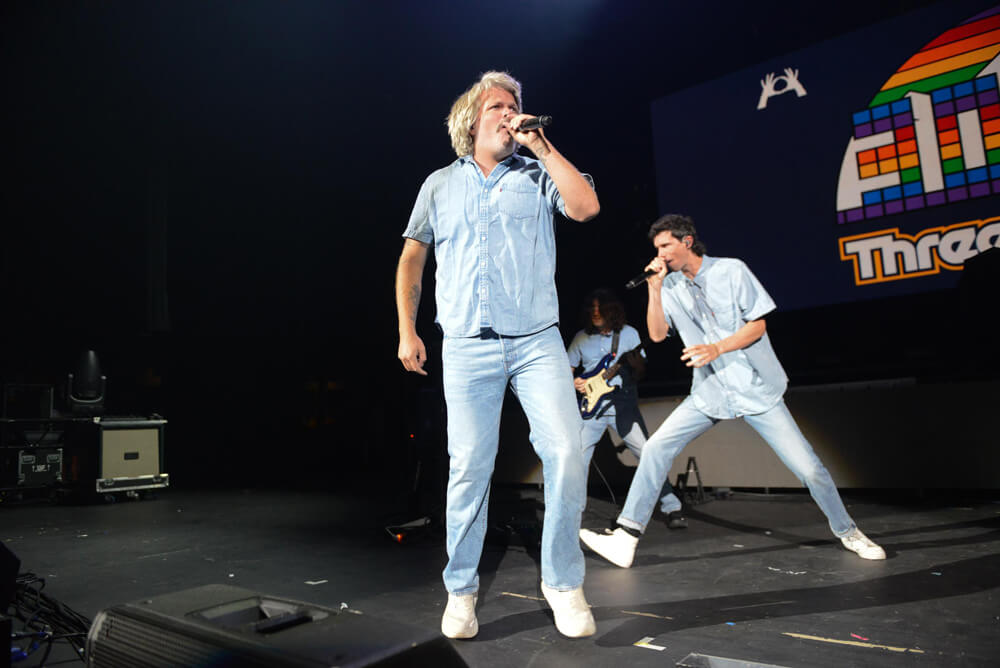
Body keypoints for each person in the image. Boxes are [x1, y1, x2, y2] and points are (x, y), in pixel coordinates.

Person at [395, 71, 600, 639]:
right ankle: (461, 590)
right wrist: (407, 329)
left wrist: (542, 146)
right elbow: (412, 258)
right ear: (471, 120)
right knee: (469, 468)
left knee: (566, 451)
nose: (510, 114)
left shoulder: (536, 172)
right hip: (465, 343)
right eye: (498, 106)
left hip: (536, 339)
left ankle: (563, 583)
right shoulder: (439, 184)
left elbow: (586, 207)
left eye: (515, 106)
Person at [579, 214, 886, 568]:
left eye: (665, 245)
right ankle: (626, 537)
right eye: (656, 248)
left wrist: (717, 348)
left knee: (809, 469)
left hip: (754, 388)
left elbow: (757, 326)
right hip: (709, 391)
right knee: (655, 448)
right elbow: (658, 335)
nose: (659, 253)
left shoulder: (731, 271)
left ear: (686, 241)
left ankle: (848, 531)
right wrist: (655, 288)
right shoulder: (671, 286)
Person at [567, 289, 687, 529]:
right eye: (592, 309)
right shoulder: (581, 337)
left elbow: (640, 373)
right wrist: (574, 382)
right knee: (577, 461)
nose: (595, 313)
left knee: (648, 454)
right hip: (591, 410)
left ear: (612, 310)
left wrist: (636, 366)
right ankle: (572, 514)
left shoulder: (629, 334)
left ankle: (671, 505)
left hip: (623, 407)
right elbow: (566, 371)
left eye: (600, 308)